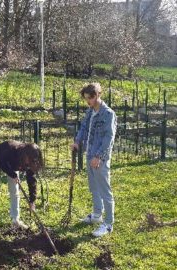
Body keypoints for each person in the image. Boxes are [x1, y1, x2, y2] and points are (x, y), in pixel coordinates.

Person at [71, 82, 117, 237]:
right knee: (94, 187)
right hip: (89, 156)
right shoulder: (90, 112)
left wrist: (99, 156)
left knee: (105, 191)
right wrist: (77, 141)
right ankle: (97, 215)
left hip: (100, 159)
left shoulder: (108, 114)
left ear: (97, 95)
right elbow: (84, 128)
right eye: (85, 99)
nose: (88, 102)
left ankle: (108, 224)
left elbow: (108, 138)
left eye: (90, 98)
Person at [0, 140, 43, 231]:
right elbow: (2, 163)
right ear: (25, 155)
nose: (31, 162)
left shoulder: (30, 160)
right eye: (30, 160)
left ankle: (15, 220)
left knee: (15, 191)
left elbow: (31, 180)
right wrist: (12, 175)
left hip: (12, 164)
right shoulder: (11, 150)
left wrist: (32, 200)